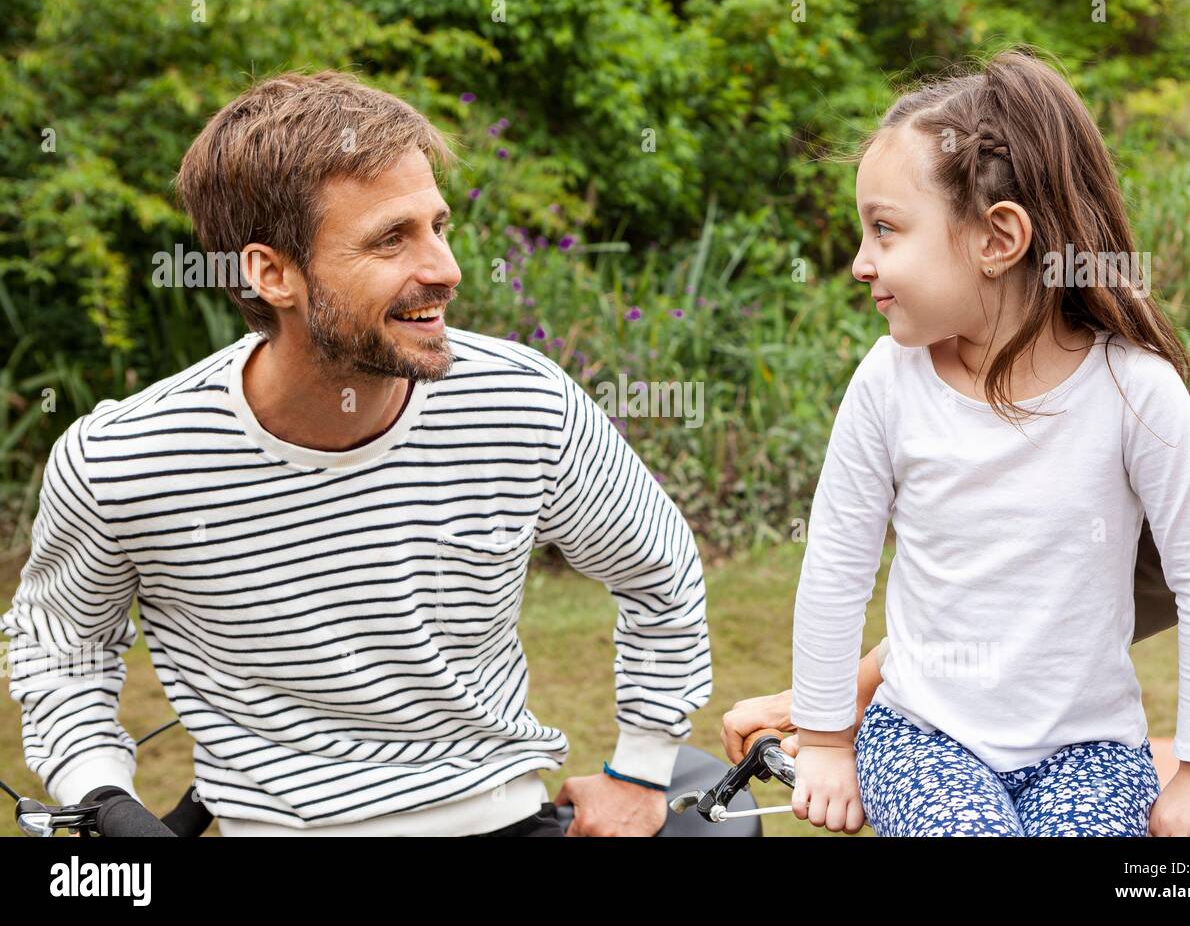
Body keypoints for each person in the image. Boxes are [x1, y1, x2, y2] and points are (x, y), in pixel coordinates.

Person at [1, 71, 711, 837]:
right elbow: (60, 646)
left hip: (503, 818)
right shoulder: (122, 460)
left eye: (438, 225)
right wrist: (103, 795)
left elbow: (659, 570)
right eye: (391, 239)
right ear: (271, 273)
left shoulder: (525, 400)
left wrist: (641, 768)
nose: (445, 268)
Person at [775, 49, 1190, 837]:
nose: (860, 263)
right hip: (924, 737)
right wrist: (826, 738)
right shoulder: (888, 381)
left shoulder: (1136, 388)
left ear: (998, 238)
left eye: (885, 230)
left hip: (1092, 751)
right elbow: (835, 567)